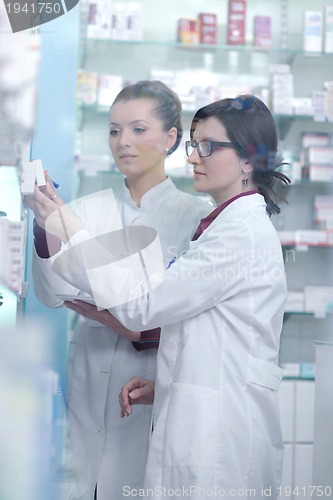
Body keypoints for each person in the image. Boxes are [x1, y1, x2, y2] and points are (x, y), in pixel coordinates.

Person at [30, 94, 290, 499]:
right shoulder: (226, 228)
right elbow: (208, 335)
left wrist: (72, 229)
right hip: (194, 417)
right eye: (193, 145)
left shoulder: (238, 235)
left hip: (218, 440)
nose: (194, 157)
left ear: (247, 160)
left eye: (208, 147)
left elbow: (141, 306)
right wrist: (169, 383)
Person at [28, 80, 210, 500]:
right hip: (90, 385)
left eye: (138, 129)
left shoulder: (194, 218)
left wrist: (113, 310)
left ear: (170, 138)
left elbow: (170, 315)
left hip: (151, 388)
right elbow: (53, 293)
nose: (123, 141)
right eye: (114, 130)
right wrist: (45, 226)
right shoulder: (88, 209)